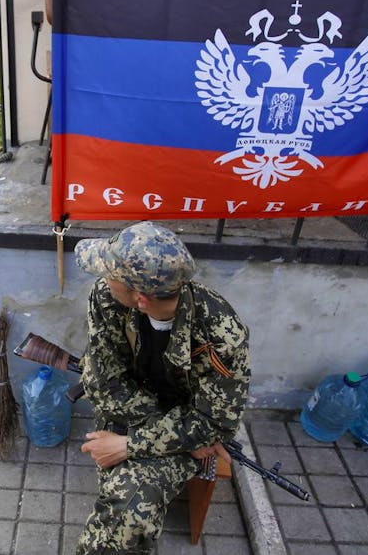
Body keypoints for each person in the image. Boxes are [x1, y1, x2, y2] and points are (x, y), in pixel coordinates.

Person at [73, 221, 250, 555]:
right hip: (138, 412)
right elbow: (103, 382)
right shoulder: (106, 297)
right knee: (121, 502)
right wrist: (164, 437)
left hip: (183, 429)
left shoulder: (222, 336)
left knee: (129, 508)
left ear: (139, 298)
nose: (102, 279)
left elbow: (217, 422)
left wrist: (130, 445)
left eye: (110, 273)